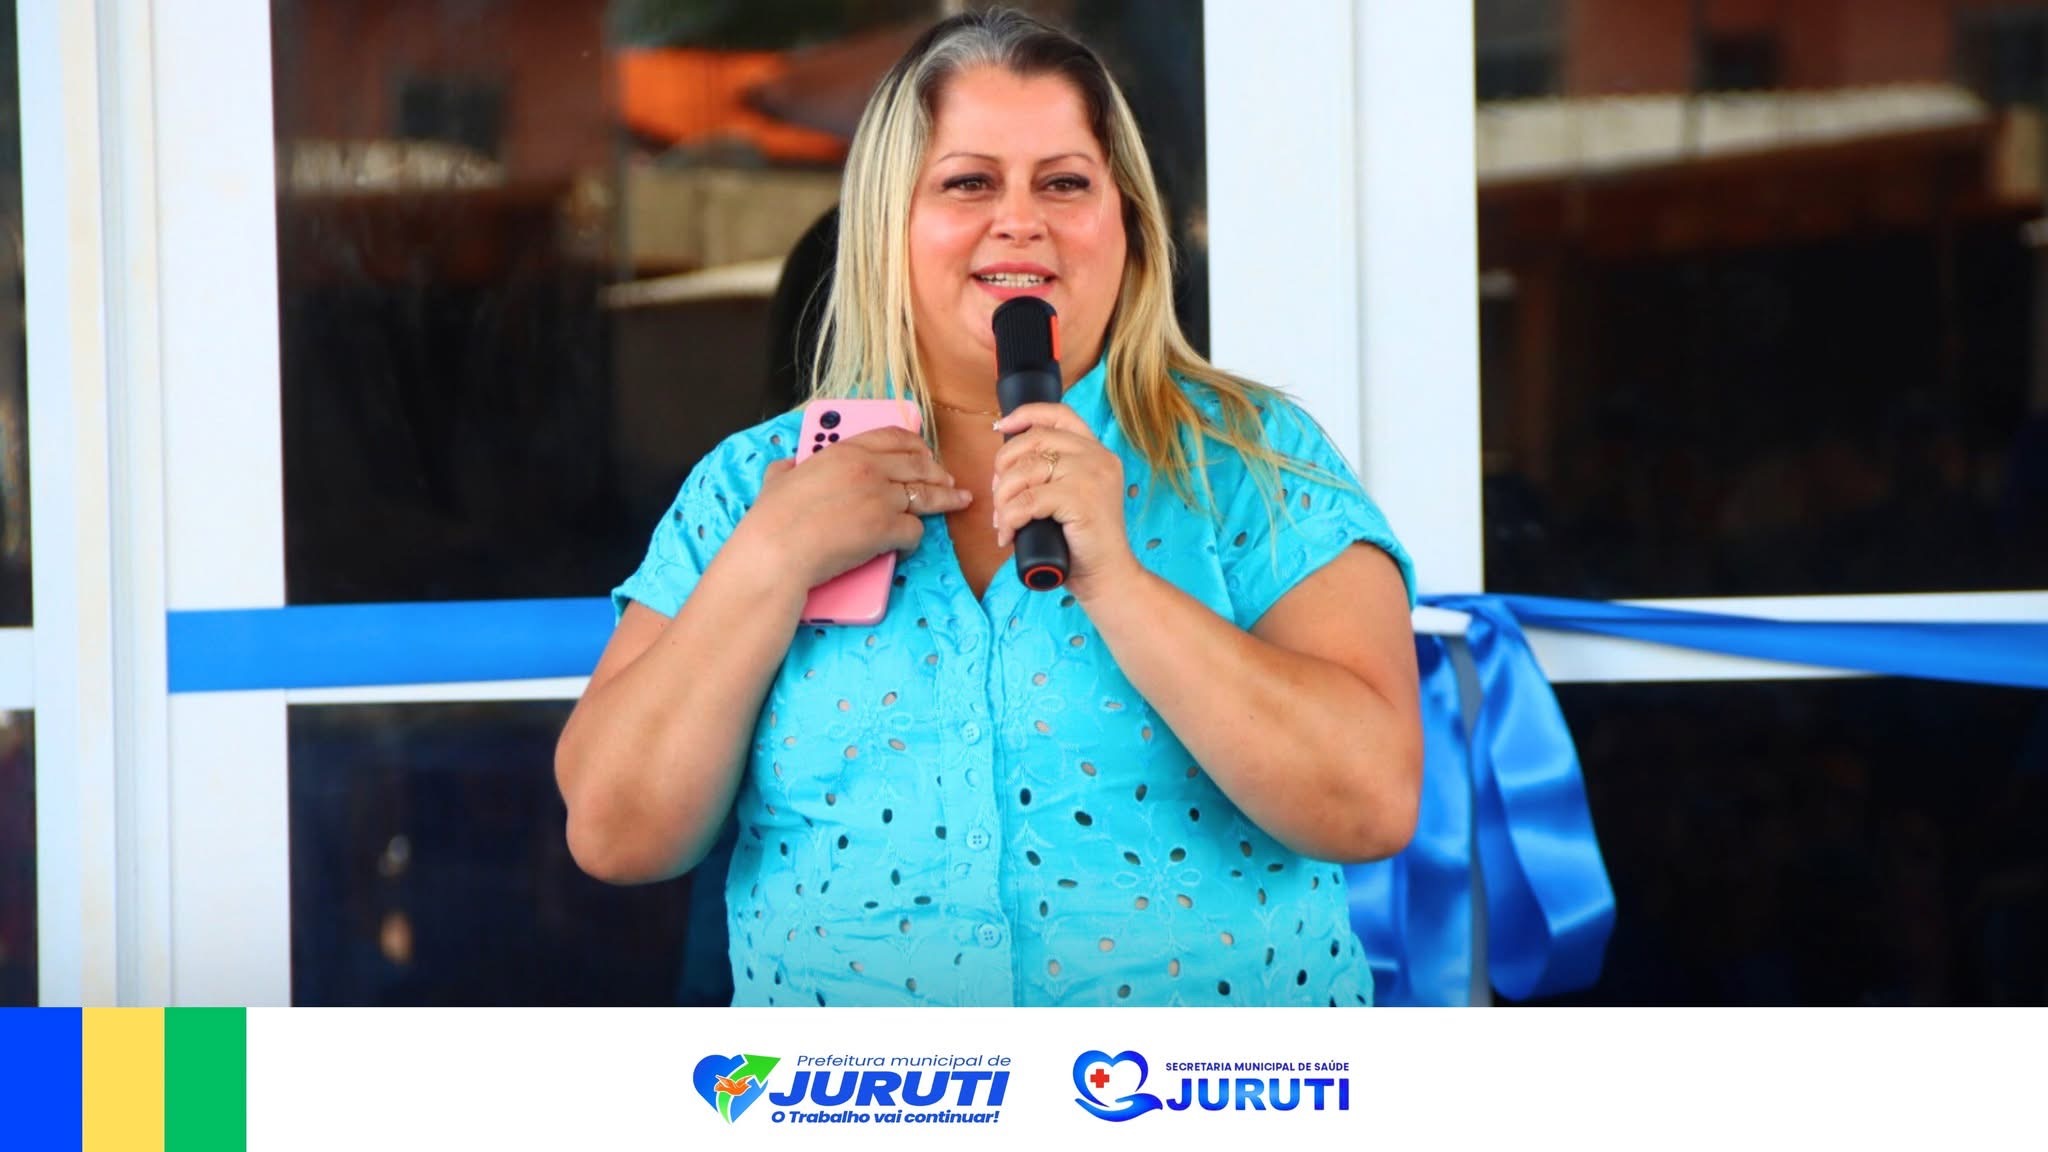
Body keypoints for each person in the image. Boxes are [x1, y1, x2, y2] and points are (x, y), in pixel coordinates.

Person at [555, 8, 1422, 1007]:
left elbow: (1371, 803)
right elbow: (615, 834)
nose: (1020, 220)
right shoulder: (750, 487)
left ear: (1128, 223)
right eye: (968, 182)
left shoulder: (1250, 459)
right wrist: (767, 561)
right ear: (887, 226)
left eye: (1064, 183)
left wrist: (1121, 586)